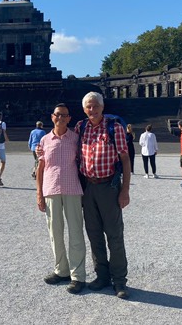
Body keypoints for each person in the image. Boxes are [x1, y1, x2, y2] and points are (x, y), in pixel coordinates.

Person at [75, 92, 131, 299]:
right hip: (88, 187)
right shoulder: (80, 128)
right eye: (89, 106)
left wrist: (125, 190)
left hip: (109, 186)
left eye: (96, 105)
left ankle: (119, 280)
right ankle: (102, 275)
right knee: (94, 234)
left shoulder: (114, 127)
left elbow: (125, 159)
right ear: (84, 109)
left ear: (102, 106)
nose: (92, 109)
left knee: (114, 235)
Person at [35, 103, 86, 294]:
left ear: (69, 118)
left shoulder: (76, 139)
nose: (61, 118)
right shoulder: (45, 141)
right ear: (52, 117)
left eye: (64, 115)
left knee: (76, 233)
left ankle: (78, 275)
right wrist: (39, 194)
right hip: (51, 189)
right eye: (58, 115)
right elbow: (40, 169)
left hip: (72, 189)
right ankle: (61, 270)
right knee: (55, 234)